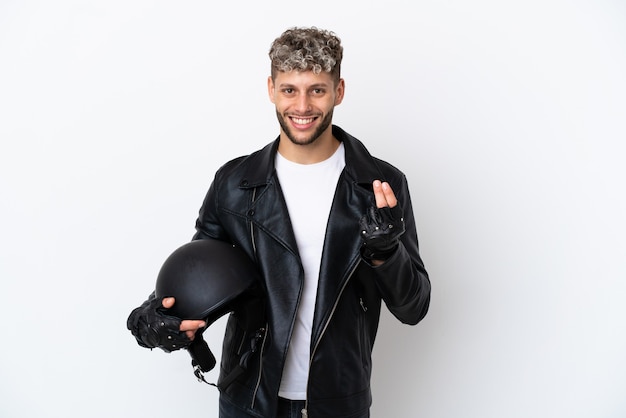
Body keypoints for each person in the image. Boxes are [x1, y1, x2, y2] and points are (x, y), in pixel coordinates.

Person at [128, 26, 431, 418]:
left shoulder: (380, 185)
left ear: (338, 91)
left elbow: (415, 307)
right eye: (290, 89)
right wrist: (156, 317)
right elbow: (200, 278)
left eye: (317, 90)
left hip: (339, 401)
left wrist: (385, 253)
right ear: (271, 88)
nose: (302, 106)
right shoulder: (234, 184)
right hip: (249, 400)